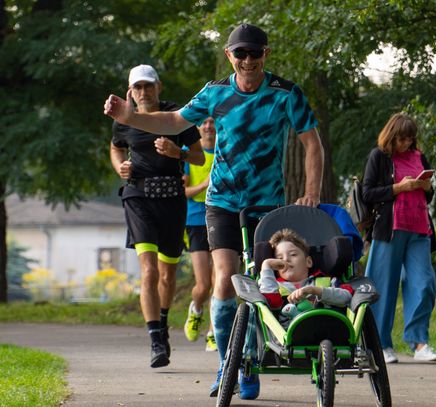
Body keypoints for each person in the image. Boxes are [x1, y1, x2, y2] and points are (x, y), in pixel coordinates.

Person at [104, 24, 324, 400]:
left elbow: (311, 142)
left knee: (259, 285)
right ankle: (229, 362)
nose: (248, 61)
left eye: (255, 53)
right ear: (229, 56)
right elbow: (173, 122)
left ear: (265, 54)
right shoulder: (215, 92)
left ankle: (253, 356)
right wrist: (128, 117)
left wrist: (311, 193)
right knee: (224, 280)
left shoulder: (285, 94)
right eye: (241, 54)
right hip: (221, 201)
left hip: (265, 203)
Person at [109, 64, 204, 369]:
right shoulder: (123, 117)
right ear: (130, 91)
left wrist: (179, 153)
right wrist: (120, 166)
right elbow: (115, 148)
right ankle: (155, 341)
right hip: (138, 197)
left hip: (172, 200)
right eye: (137, 87)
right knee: (149, 271)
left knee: (167, 274)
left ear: (158, 87)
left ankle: (162, 325)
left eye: (148, 86)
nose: (143, 92)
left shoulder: (178, 117)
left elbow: (199, 156)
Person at [362, 113, 436, 364]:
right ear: (392, 136)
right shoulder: (379, 156)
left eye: (410, 139)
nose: (406, 143)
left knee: (424, 283)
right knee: (383, 288)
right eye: (402, 139)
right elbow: (367, 193)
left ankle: (419, 343)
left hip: (419, 229)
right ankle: (381, 345)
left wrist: (427, 188)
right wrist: (398, 188)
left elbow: (427, 197)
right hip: (390, 229)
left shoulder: (419, 157)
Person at [259, 228, 354, 321]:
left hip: (328, 328)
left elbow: (347, 298)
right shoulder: (274, 287)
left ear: (308, 262)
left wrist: (315, 290)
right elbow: (270, 305)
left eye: (293, 254)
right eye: (280, 258)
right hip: (288, 334)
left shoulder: (327, 281)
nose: (285, 260)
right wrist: (266, 265)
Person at [183, 117, 217, 352]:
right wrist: (205, 184)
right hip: (196, 220)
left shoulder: (226, 149)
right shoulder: (187, 153)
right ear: (197, 127)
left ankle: (214, 332)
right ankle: (196, 309)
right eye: (203, 123)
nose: (208, 127)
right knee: (203, 284)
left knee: (221, 280)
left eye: (212, 122)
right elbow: (182, 191)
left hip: (223, 216)